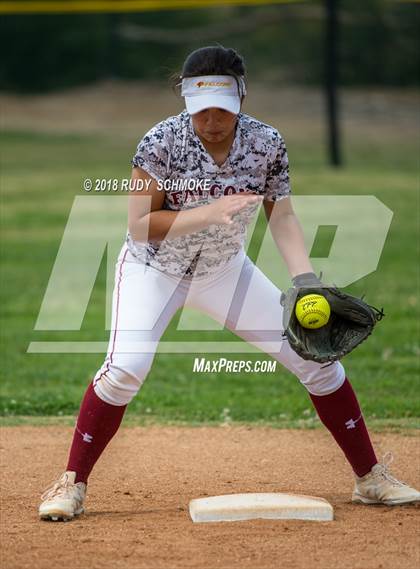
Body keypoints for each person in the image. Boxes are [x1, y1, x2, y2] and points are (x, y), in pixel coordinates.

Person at [39, 45, 419, 521]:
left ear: (242, 98)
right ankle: (71, 483)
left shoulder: (266, 143)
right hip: (153, 270)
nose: (212, 120)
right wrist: (206, 214)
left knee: (318, 361)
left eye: (223, 109)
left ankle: (370, 477)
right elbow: (138, 224)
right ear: (186, 101)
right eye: (201, 110)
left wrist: (303, 279)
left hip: (224, 272)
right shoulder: (159, 142)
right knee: (126, 368)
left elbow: (282, 214)